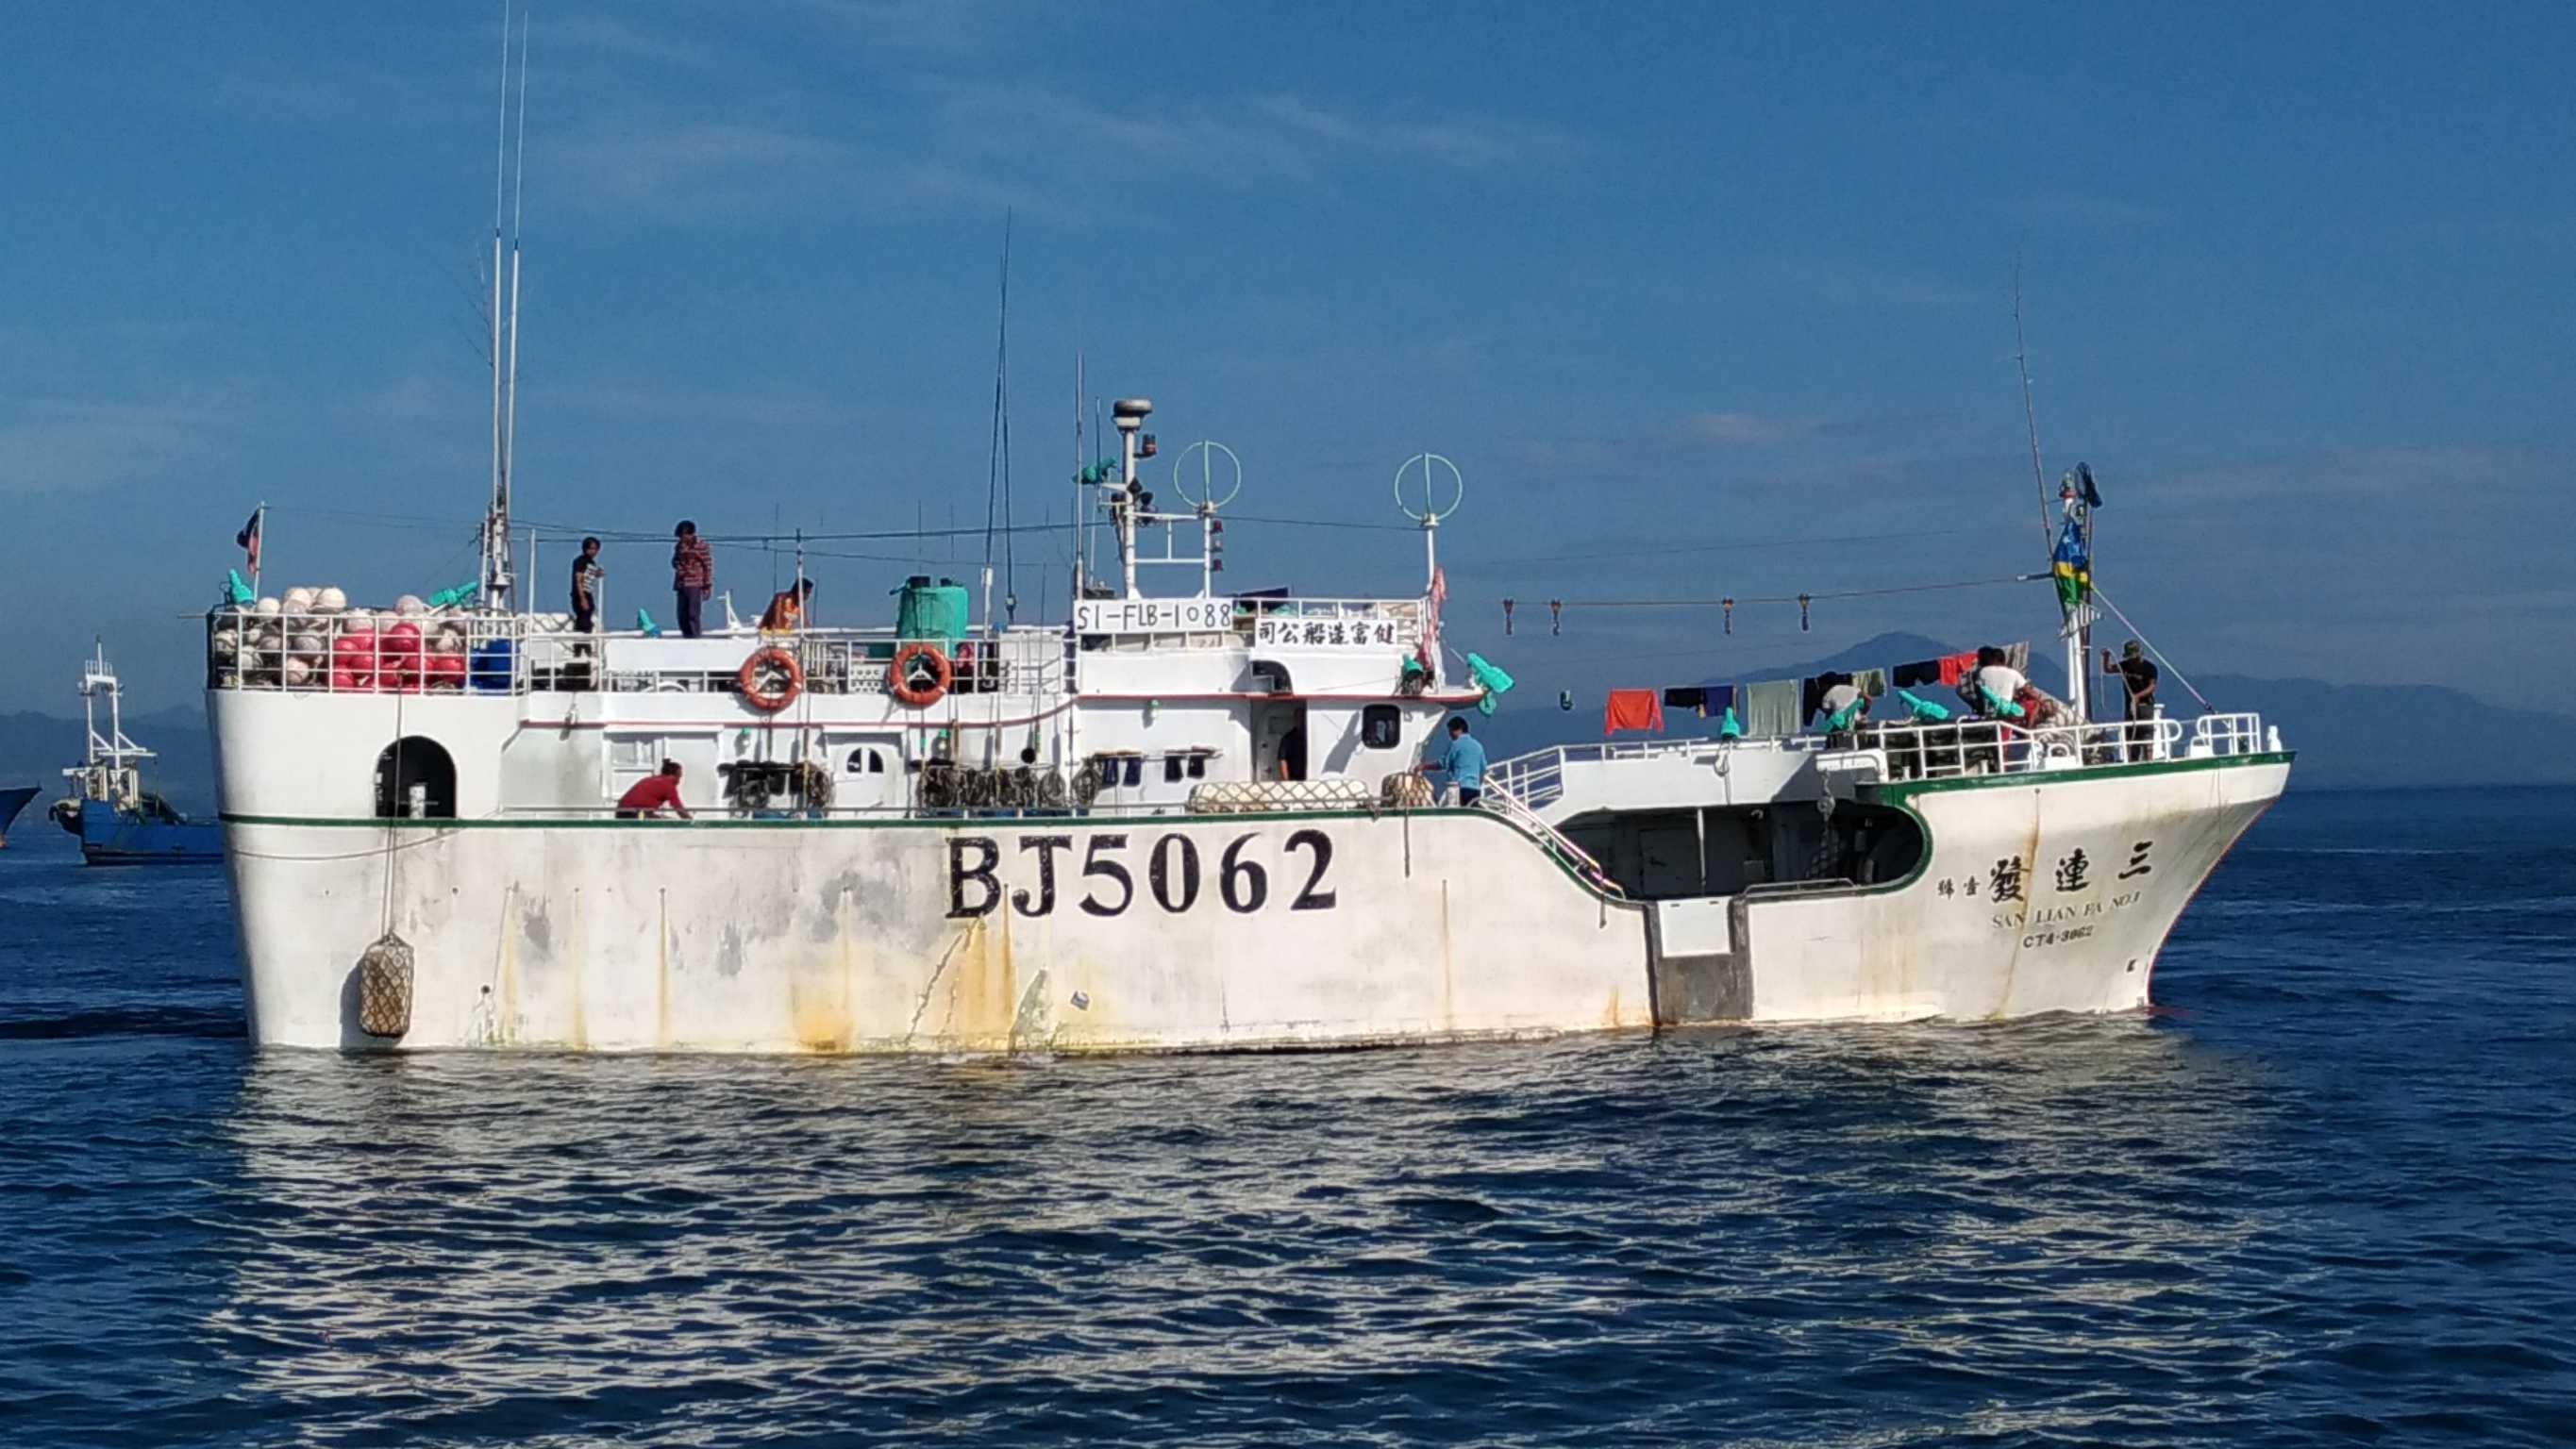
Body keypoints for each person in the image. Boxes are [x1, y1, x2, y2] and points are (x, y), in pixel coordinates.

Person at [1419, 716, 1488, 807]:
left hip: (1459, 788)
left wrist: (1424, 766)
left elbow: (1443, 763)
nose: (1450, 735)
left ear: (1458, 730)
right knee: (1471, 811)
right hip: (1475, 789)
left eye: (1450, 731)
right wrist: (1477, 783)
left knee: (1458, 812)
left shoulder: (1456, 744)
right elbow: (1483, 769)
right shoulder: (1478, 746)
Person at [671, 521, 712, 640]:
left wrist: (707, 585)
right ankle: (686, 636)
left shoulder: (701, 546)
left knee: (693, 613)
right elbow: (675, 561)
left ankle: (695, 636)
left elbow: (707, 565)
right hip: (681, 582)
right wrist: (679, 567)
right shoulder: (679, 546)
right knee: (682, 614)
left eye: (683, 536)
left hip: (695, 582)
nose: (682, 539)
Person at [615, 759, 694, 820]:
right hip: (636, 814)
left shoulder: (649, 779)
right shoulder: (669, 785)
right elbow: (678, 808)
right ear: (674, 775)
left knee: (664, 819)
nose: (679, 781)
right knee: (670, 822)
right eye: (679, 777)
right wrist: (691, 822)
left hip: (620, 812)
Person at [1817, 672, 1869, 746]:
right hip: (1856, 720)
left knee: (1831, 721)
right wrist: (1863, 712)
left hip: (1841, 723)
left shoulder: (1827, 695)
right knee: (1860, 741)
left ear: (1827, 684)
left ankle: (1831, 746)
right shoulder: (1854, 689)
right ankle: (1862, 745)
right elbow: (1868, 699)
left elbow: (1827, 712)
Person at [569, 536, 604, 634]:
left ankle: (585, 637)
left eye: (596, 549)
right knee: (583, 619)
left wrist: (597, 573)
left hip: (588, 592)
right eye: (591, 549)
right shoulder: (581, 561)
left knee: (589, 612)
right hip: (580, 594)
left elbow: (588, 575)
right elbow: (578, 579)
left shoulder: (591, 562)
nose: (594, 551)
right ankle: (581, 640)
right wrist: (582, 598)